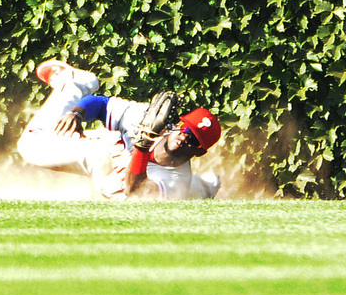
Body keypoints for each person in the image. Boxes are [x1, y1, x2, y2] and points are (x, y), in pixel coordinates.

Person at [17, 59, 222, 199]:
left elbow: (134, 190)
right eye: (187, 131)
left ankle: (203, 187)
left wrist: (142, 147)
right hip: (98, 150)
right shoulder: (146, 117)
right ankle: (75, 85)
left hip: (125, 175)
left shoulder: (176, 179)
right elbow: (101, 105)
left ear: (200, 151)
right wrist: (78, 113)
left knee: (127, 198)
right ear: (179, 125)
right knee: (29, 147)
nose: (186, 139)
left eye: (195, 140)